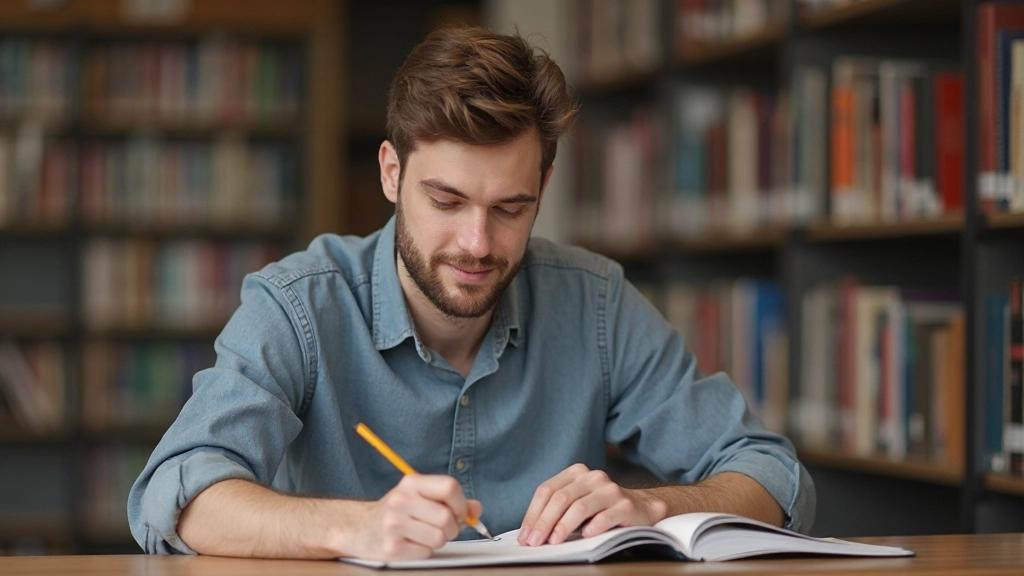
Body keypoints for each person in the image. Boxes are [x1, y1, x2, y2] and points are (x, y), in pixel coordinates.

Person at [127, 26, 815, 561]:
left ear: (543, 189)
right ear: (392, 174)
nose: (478, 244)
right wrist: (357, 527)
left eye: (510, 208)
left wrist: (653, 510)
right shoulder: (302, 306)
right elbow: (174, 494)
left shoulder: (595, 304)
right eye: (447, 201)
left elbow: (775, 477)